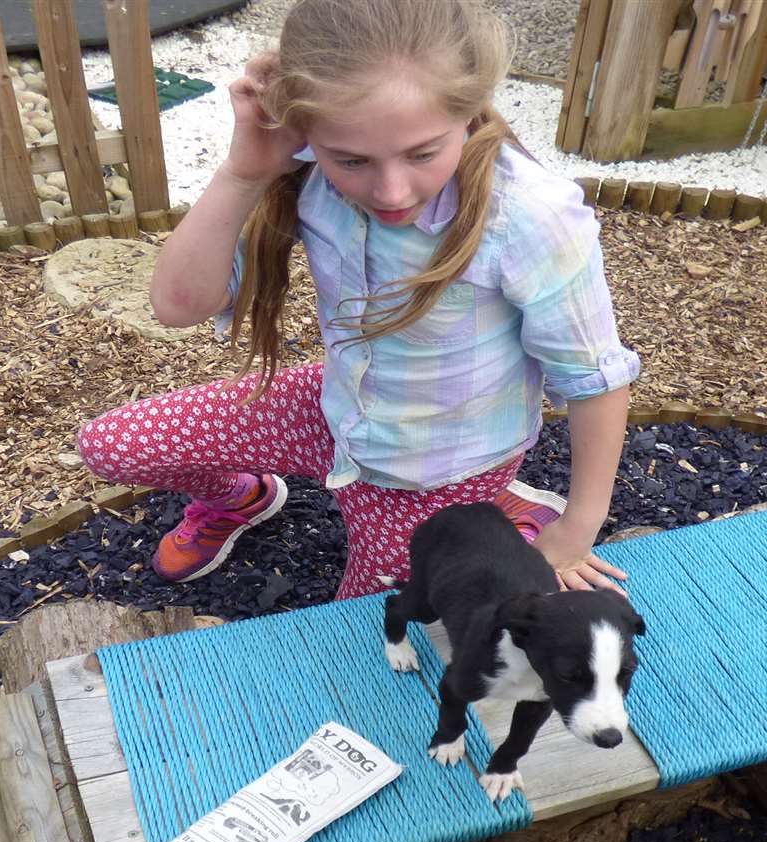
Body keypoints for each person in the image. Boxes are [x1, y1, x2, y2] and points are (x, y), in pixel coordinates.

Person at [75, 0, 640, 600]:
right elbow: (178, 306)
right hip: (336, 411)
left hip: (434, 468)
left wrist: (579, 529)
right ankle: (246, 497)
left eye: (423, 153)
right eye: (352, 160)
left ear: (469, 108)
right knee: (112, 446)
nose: (392, 189)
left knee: (363, 615)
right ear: (307, 132)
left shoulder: (528, 215)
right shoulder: (304, 170)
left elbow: (595, 378)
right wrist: (244, 173)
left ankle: (496, 515)